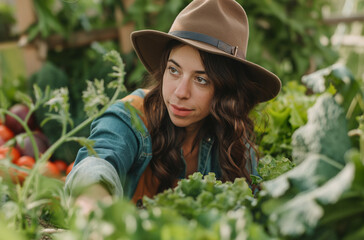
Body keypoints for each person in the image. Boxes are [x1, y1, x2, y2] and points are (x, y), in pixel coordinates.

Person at [64, 0, 281, 211]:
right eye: (174, 70)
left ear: (226, 92)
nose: (180, 92)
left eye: (201, 80)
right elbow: (99, 158)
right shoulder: (132, 115)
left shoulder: (232, 138)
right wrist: (92, 199)